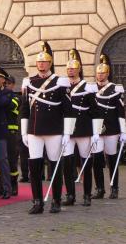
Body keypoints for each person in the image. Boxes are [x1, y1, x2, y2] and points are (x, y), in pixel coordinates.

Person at [21, 41, 74, 214]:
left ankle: (56, 200)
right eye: (39, 62)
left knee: (55, 166)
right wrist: (24, 131)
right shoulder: (29, 82)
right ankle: (37, 201)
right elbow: (24, 109)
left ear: (50, 64)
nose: (41, 64)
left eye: (45, 62)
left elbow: (68, 110)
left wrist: (67, 133)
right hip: (35, 130)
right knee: (34, 167)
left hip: (54, 130)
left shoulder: (60, 82)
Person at [62, 49, 102, 207]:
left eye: (73, 68)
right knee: (67, 162)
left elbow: (95, 110)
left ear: (79, 70)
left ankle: (86, 195)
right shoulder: (62, 86)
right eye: (68, 68)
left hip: (84, 128)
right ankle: (70, 195)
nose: (70, 70)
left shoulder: (88, 87)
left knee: (86, 163)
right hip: (67, 129)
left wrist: (96, 131)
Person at [92, 54, 125, 200]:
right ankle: (99, 188)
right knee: (97, 159)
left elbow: (121, 111)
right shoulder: (90, 88)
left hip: (111, 128)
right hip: (96, 129)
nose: (100, 75)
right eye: (98, 73)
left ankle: (115, 188)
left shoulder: (115, 89)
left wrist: (123, 130)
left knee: (112, 159)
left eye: (103, 73)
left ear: (108, 73)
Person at [0, 65, 13, 199]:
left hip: (0, 130)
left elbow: (1, 103)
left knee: (2, 160)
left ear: (3, 80)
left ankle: (7, 188)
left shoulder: (7, 93)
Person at [5, 75, 21, 196]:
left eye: (9, 84)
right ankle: (1, 184)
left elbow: (11, 107)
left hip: (11, 133)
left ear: (13, 85)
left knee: (12, 160)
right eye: (5, 83)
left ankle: (14, 184)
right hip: (0, 131)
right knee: (0, 160)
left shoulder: (16, 97)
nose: (7, 85)